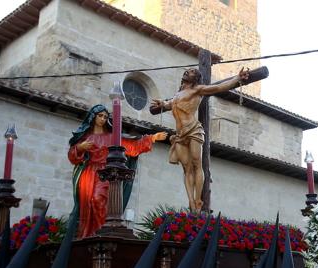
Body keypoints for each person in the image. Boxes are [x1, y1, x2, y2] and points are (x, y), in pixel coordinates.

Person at [151, 67, 250, 212]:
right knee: (186, 168)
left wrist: (237, 78)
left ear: (196, 78)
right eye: (187, 70)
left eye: (191, 72)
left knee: (197, 164)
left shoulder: (197, 90)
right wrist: (162, 104)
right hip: (180, 135)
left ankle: (198, 200)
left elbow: (218, 87)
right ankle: (191, 201)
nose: (187, 72)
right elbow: (169, 104)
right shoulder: (178, 94)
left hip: (193, 130)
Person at [68, 104, 167, 239]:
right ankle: (88, 235)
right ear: (93, 117)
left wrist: (153, 138)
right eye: (100, 116)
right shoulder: (85, 138)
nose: (103, 119)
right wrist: (79, 147)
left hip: (106, 173)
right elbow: (72, 157)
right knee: (88, 204)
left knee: (98, 200)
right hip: (88, 175)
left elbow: (132, 147)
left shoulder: (112, 137)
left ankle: (102, 233)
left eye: (105, 116)